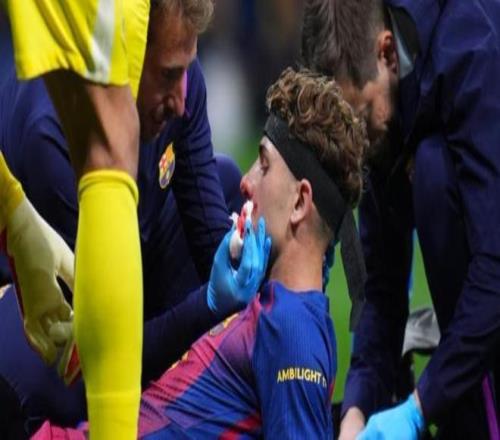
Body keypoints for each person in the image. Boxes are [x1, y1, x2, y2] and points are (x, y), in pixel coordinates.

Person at [29, 66, 367, 439]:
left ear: (300, 202)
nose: (247, 181)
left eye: (264, 165)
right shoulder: (274, 311)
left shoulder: (293, 329)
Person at [0, 0, 264, 436]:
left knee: (225, 180)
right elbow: (93, 351)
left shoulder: (181, 80)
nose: (180, 101)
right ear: (125, 59)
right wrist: (205, 307)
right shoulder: (53, 133)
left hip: (127, 251)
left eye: (186, 69)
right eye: (167, 75)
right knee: (28, 373)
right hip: (40, 306)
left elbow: (209, 242)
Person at [301, 0, 500, 438]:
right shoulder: (381, 116)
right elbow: (381, 288)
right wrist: (355, 410)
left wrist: (420, 405)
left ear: (387, 53)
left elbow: (495, 265)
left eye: (359, 118)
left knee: (432, 170)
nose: (359, 145)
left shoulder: (474, 51)